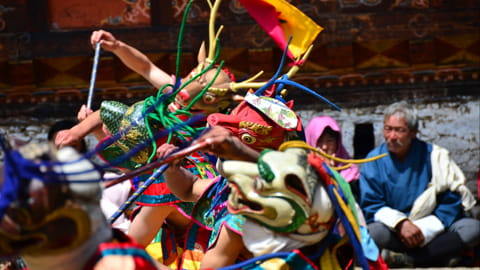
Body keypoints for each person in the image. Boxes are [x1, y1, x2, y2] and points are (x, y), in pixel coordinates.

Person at [359, 101, 480, 267]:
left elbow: (451, 200)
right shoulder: (373, 161)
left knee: (473, 229)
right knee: (374, 233)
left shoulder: (434, 157)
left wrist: (424, 229)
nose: (392, 136)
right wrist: (402, 224)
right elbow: (372, 205)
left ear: (413, 133)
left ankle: (409, 260)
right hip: (395, 232)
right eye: (388, 129)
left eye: (399, 130)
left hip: (433, 231)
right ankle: (440, 256)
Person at [304, 115, 360, 201]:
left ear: (338, 143)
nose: (324, 147)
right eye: (319, 141)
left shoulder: (349, 170)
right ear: (311, 141)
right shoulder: (302, 171)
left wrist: (332, 173)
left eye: (330, 141)